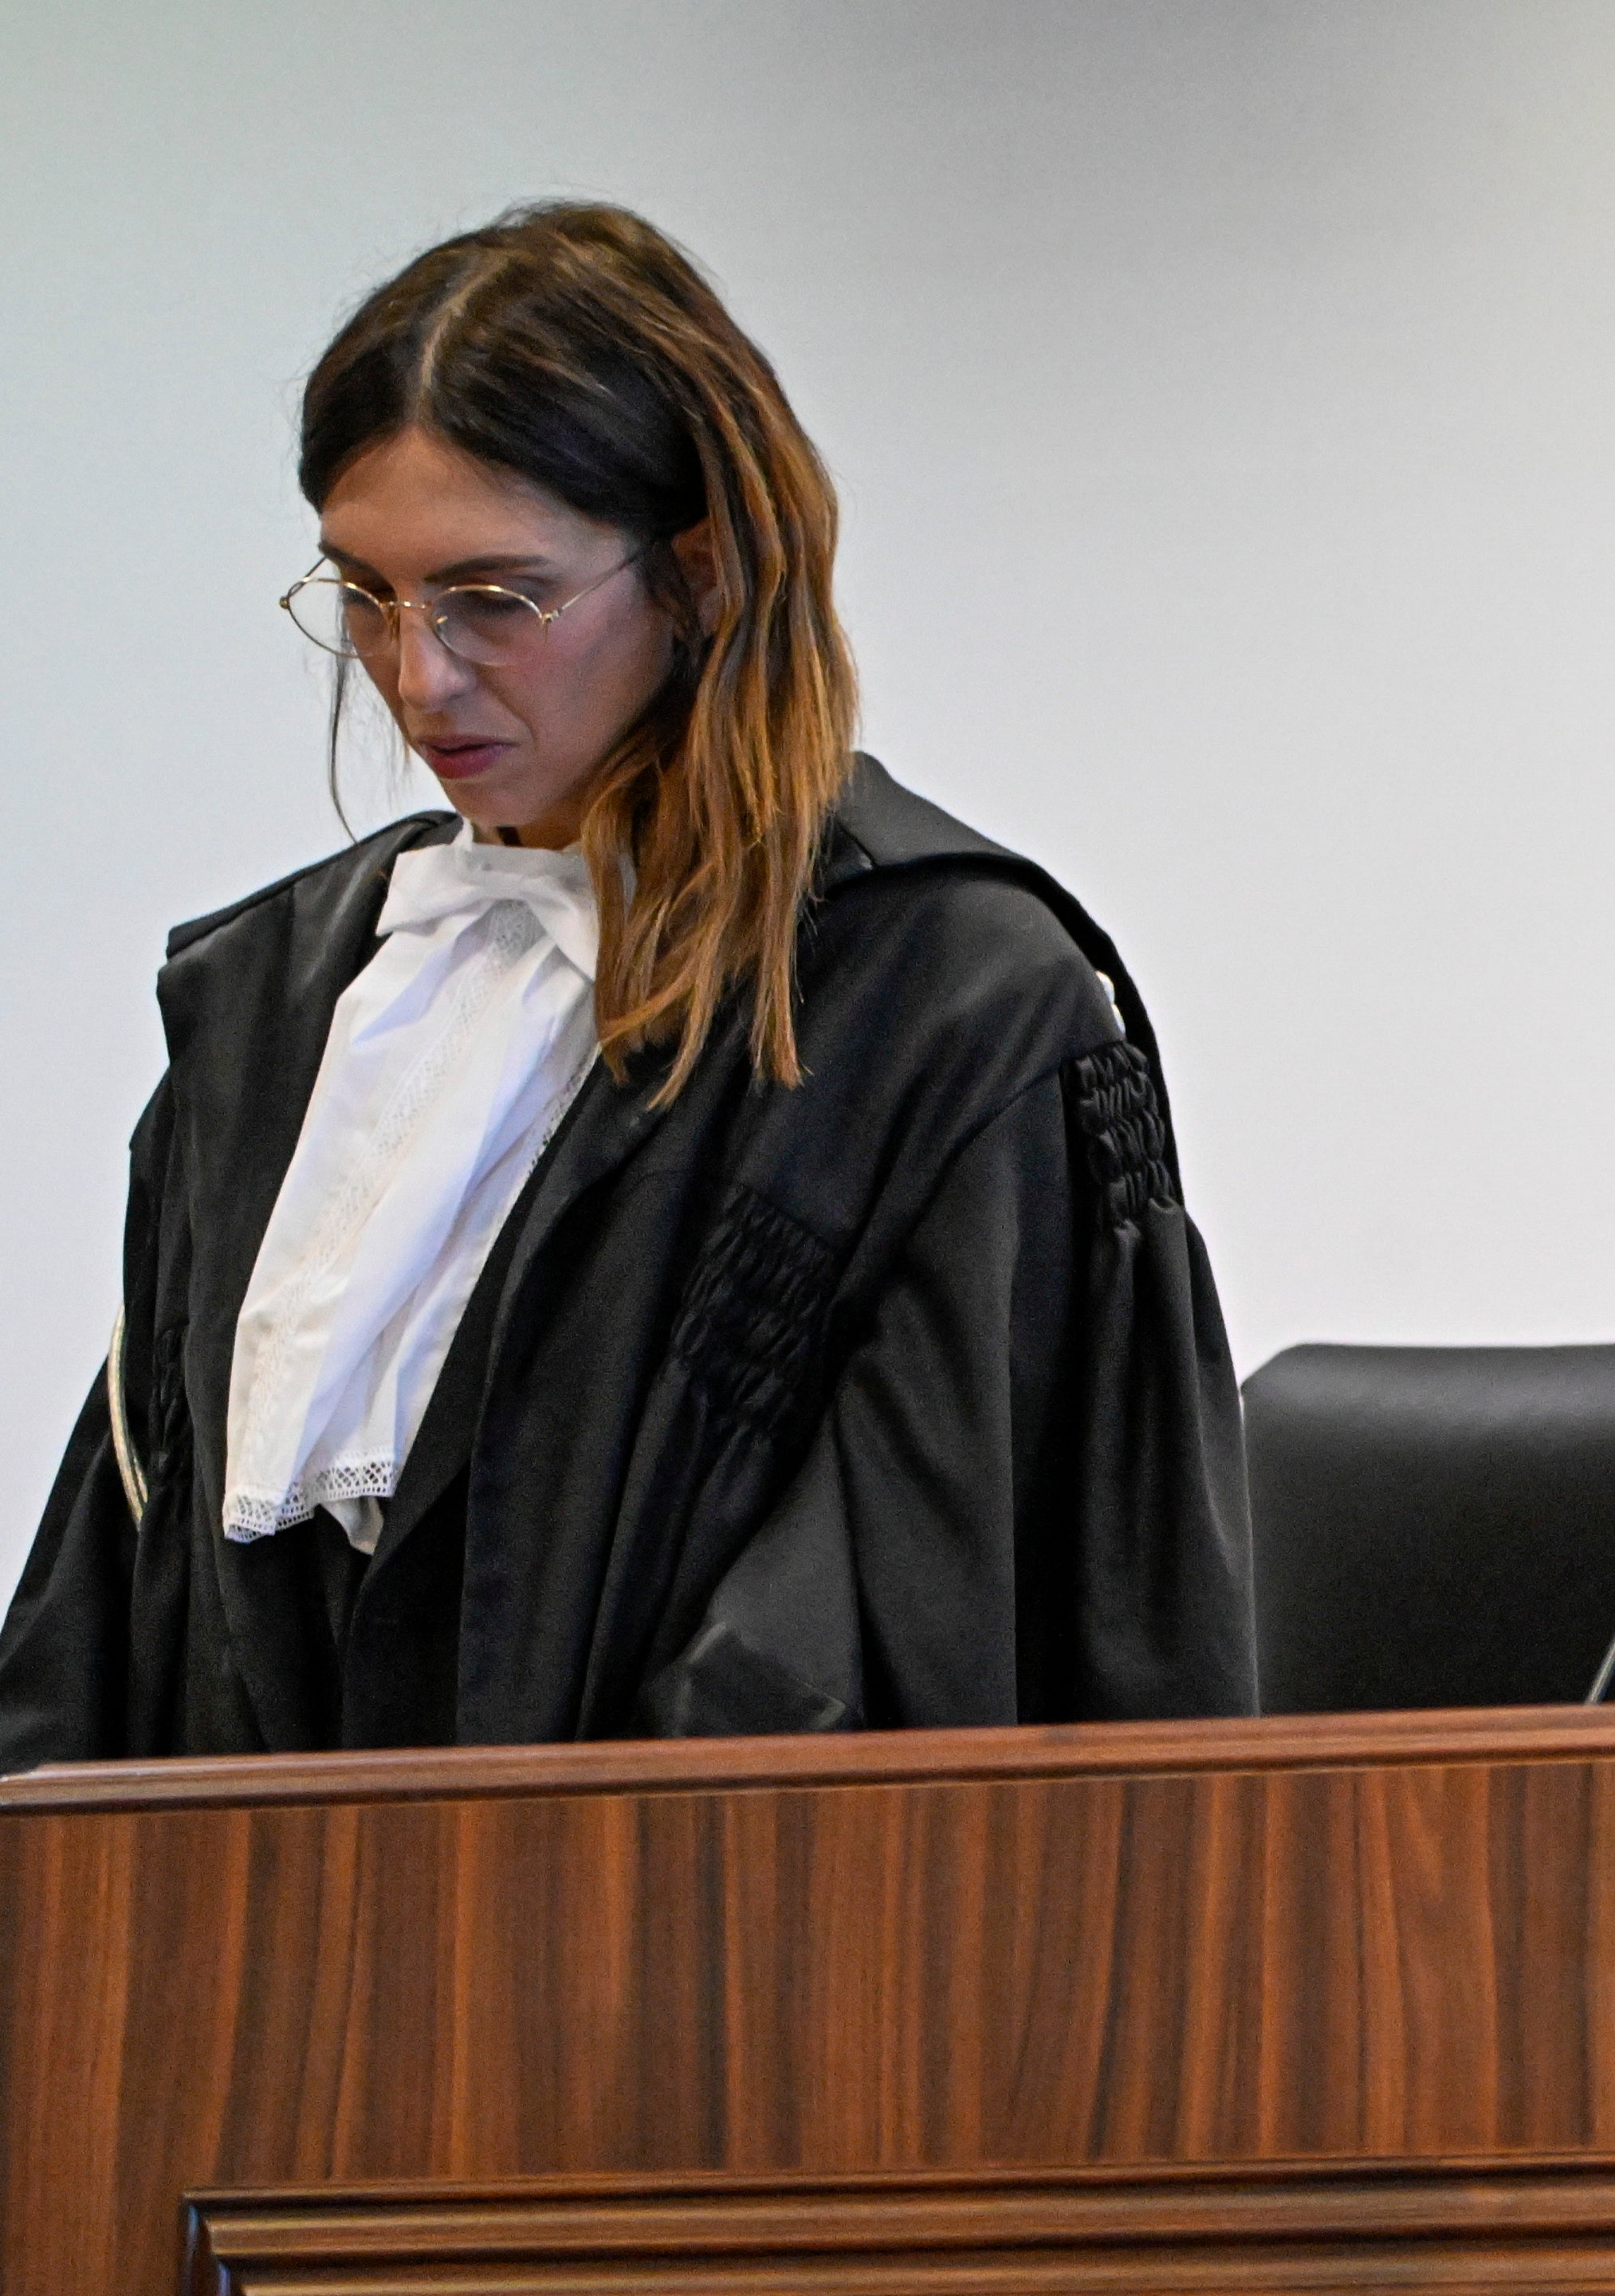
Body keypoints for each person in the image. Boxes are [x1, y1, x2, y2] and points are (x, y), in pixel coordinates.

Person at [0, 203, 1252, 1769]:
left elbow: (911, 1642)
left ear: (700, 572)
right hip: (281, 1979)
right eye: (365, 595)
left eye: (494, 601)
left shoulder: (945, 1009)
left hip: (701, 1969)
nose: (415, 675)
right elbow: (126, 1612)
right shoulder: (277, 1005)